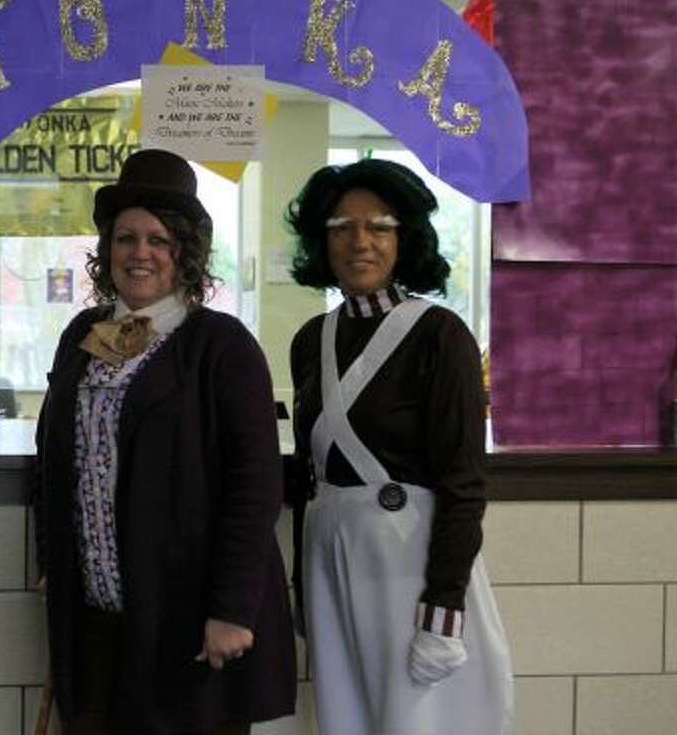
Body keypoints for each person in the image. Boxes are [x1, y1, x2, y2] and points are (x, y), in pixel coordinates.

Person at [34, 149, 297, 735]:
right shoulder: (83, 334)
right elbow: (54, 456)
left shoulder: (220, 346)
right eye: (125, 237)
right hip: (97, 617)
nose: (140, 252)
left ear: (184, 253)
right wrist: (53, 558)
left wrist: (230, 609)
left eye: (158, 238)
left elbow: (254, 488)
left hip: (188, 621)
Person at [284, 158, 513, 735]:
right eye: (341, 226)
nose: (359, 241)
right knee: (348, 720)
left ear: (403, 237)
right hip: (330, 559)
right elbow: (305, 478)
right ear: (322, 239)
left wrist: (443, 608)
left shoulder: (440, 334)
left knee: (423, 721)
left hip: (412, 564)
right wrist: (299, 590)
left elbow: (463, 482)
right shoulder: (312, 340)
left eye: (379, 225)